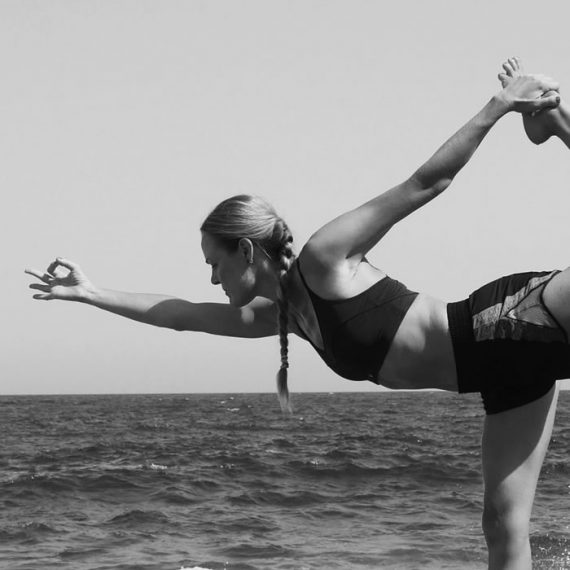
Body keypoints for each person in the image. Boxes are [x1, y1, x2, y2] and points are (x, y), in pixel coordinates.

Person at [26, 58, 570, 570]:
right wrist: (91, 294)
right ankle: (551, 122)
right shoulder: (283, 317)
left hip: (509, 318)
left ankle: (556, 121)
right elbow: (181, 315)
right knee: (501, 527)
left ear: (245, 251)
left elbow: (426, 183)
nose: (212, 280)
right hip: (506, 381)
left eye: (214, 264)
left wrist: (497, 106)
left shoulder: (325, 258)